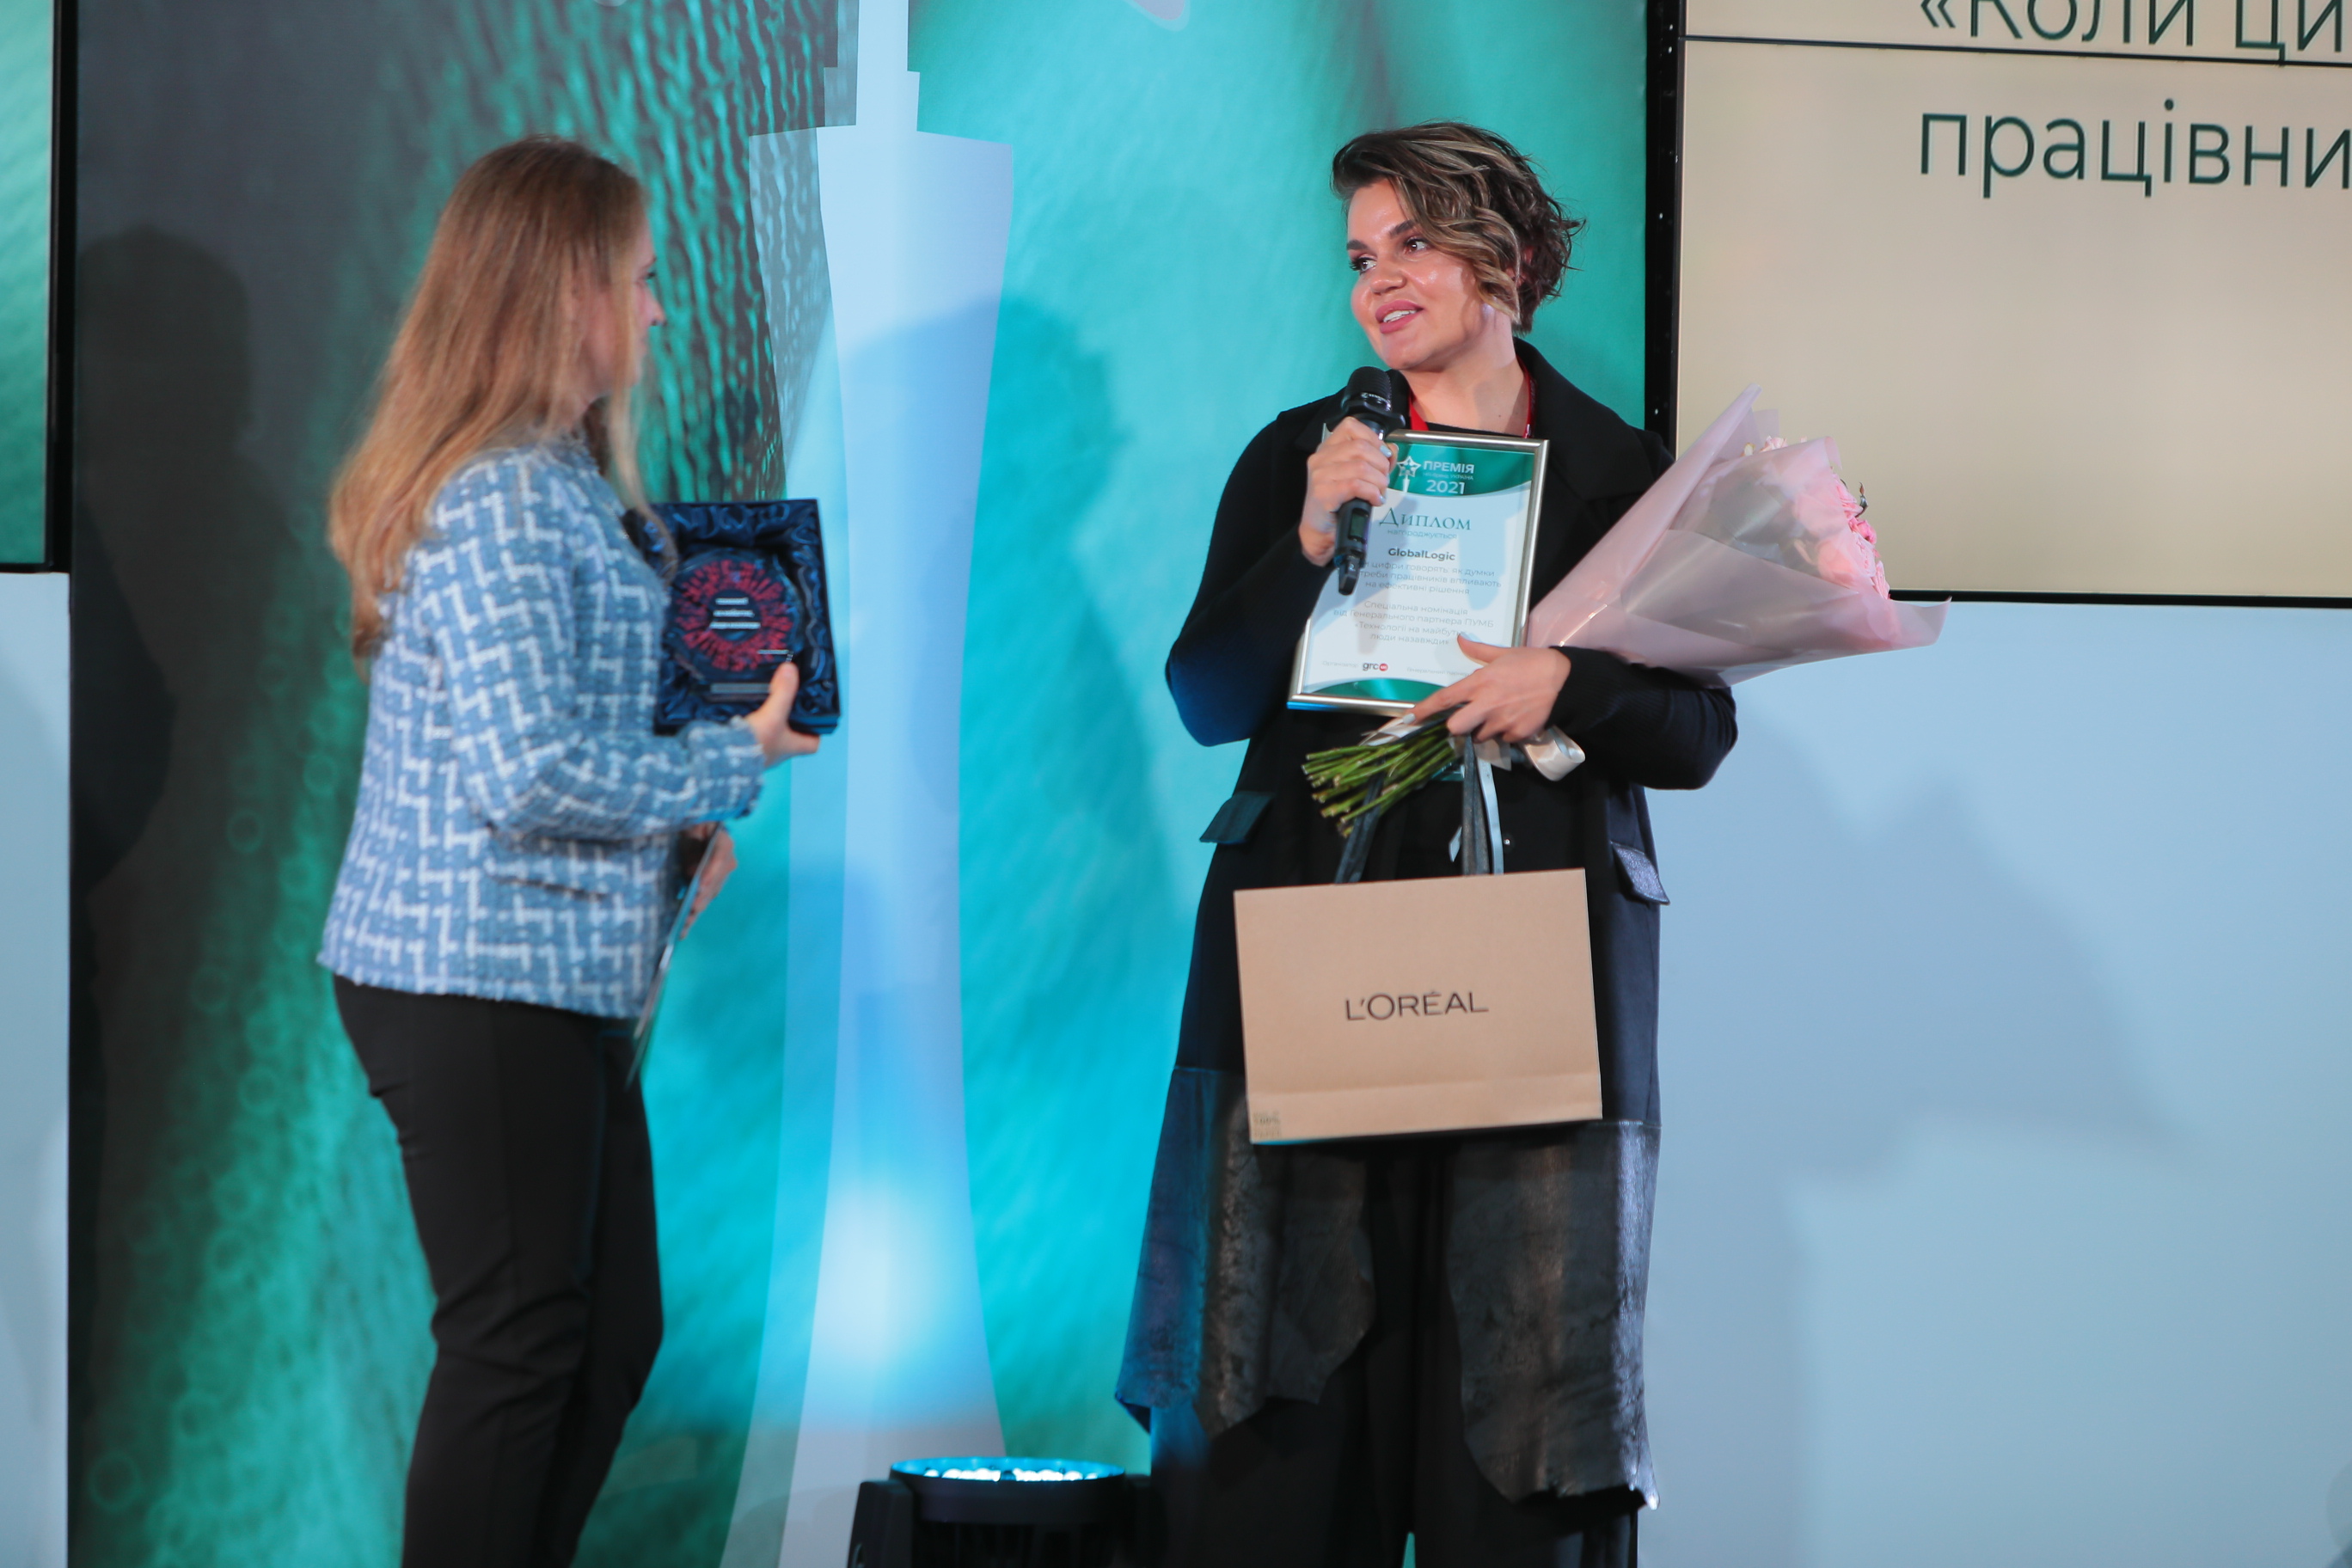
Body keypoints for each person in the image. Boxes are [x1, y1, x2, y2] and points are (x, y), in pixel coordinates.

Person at [1117, 123, 1737, 1567]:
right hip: (1311, 949)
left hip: (1534, 974)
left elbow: (1700, 731)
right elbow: (1206, 699)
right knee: (1280, 1383)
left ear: (1503, 259)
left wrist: (1566, 684)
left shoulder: (1615, 471)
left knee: (1517, 1383)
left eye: (1413, 245)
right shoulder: (1306, 453)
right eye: (1359, 257)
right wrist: (1310, 539)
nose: (1378, 283)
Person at [318, 137, 817, 1568]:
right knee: (522, 1347)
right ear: (562, 293)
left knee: (597, 1340)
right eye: (638, 280)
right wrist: (731, 761)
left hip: (544, 981)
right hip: (476, 980)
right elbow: (525, 769)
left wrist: (676, 828)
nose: (657, 311)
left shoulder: (555, 484)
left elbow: (560, 741)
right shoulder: (498, 499)